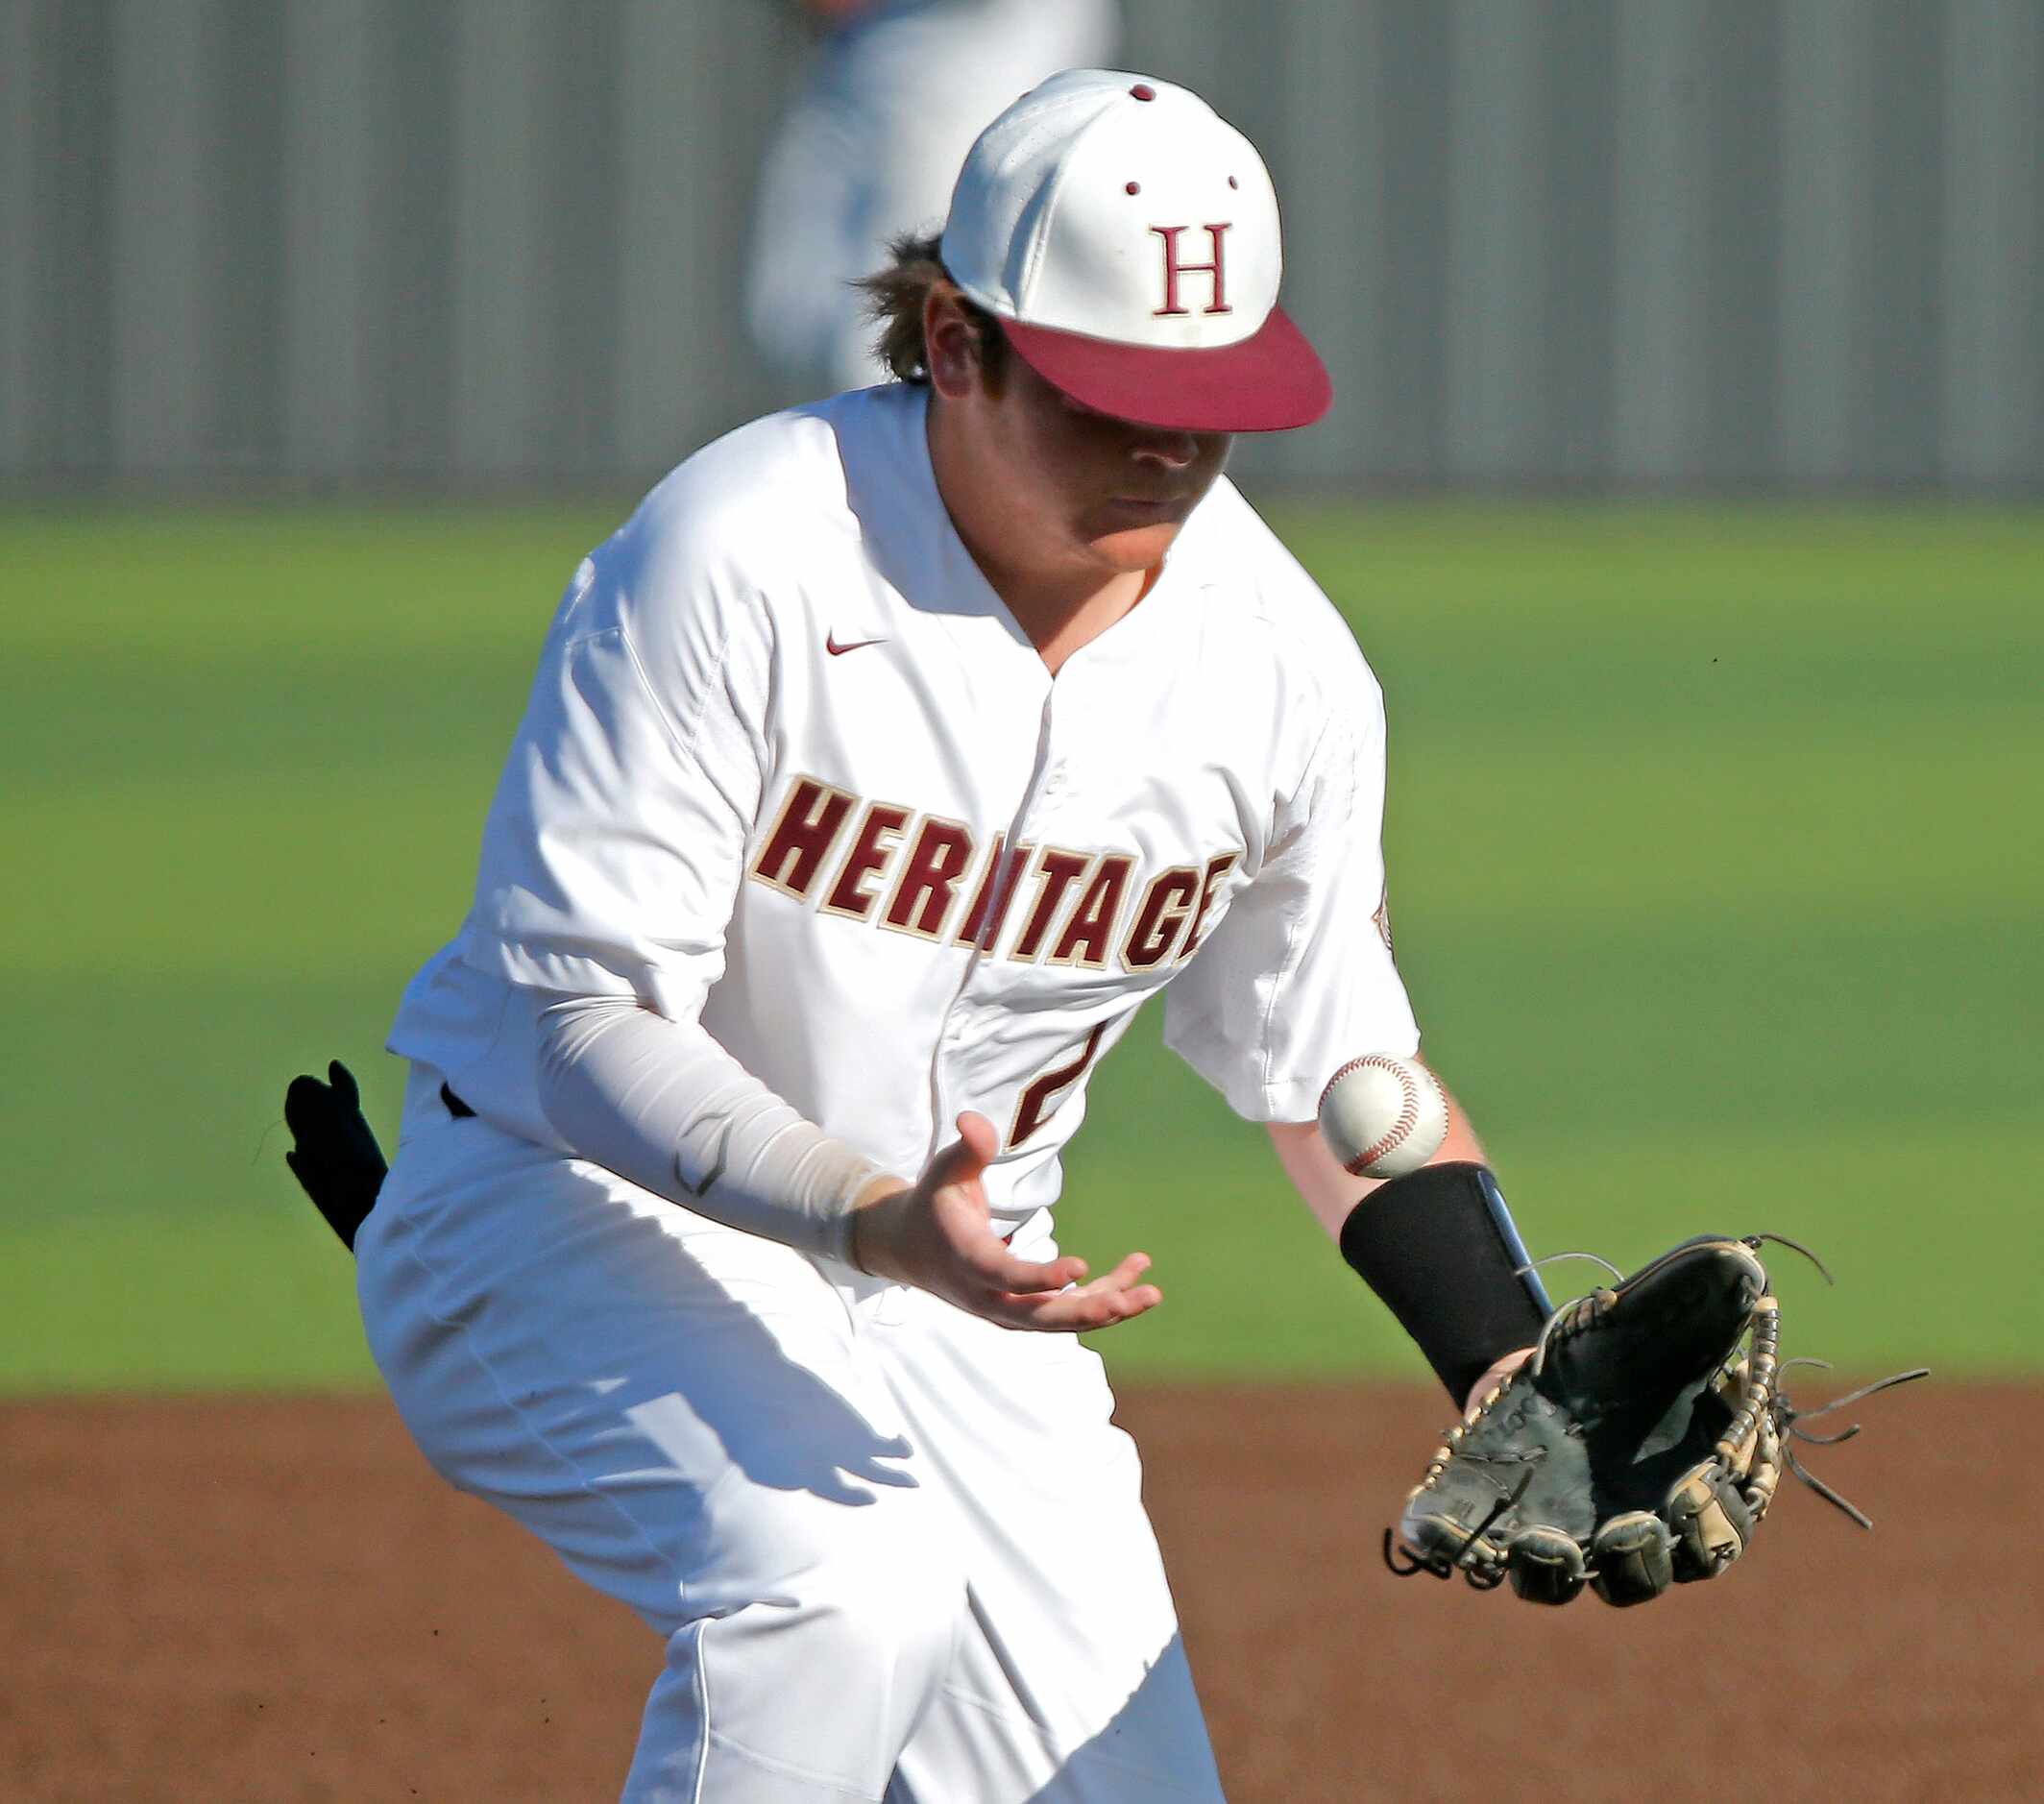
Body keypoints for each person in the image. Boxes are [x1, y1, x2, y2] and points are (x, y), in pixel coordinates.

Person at [350, 71, 1549, 1802]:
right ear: (955, 342)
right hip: (563, 1204)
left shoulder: (1283, 672)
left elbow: (1336, 1072)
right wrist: (863, 1213)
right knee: (837, 1596)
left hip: (965, 1285)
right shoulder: (743, 552)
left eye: (1210, 401)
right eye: (1112, 394)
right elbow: (565, 1014)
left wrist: (1503, 1355)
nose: (1169, 445)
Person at [746, 0, 1120, 394]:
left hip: (972, 36)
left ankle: (906, 451)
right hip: (869, 39)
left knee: (888, 333)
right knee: (795, 311)